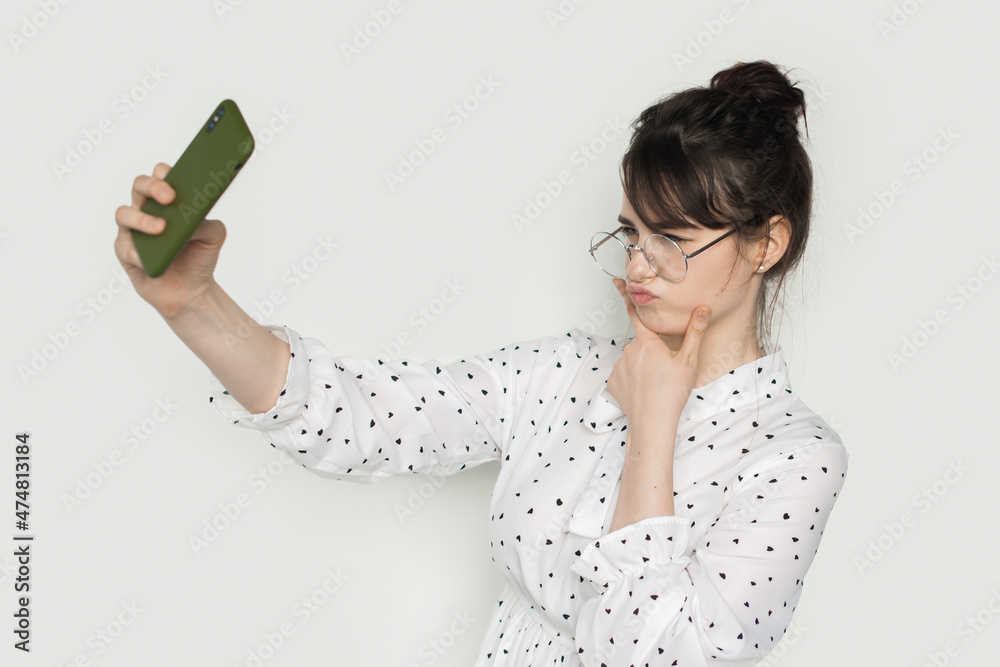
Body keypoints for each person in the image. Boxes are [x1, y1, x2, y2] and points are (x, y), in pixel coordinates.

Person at [114, 59, 848, 666]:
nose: (639, 266)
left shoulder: (795, 458)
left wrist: (654, 423)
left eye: (674, 237)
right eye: (631, 232)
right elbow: (365, 415)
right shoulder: (565, 374)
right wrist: (194, 303)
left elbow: (649, 655)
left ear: (766, 244)